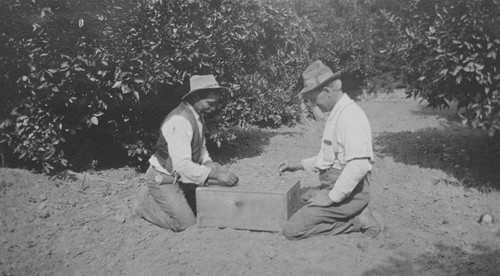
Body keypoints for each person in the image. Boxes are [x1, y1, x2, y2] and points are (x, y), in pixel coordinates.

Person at [278, 60, 383, 240]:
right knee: (299, 200)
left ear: (326, 92)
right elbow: (329, 158)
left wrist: (331, 197)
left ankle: (358, 220)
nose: (313, 105)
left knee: (292, 230)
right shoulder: (337, 113)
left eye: (313, 99)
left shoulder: (351, 116)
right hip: (336, 186)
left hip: (348, 193)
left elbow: (358, 165)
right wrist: (297, 166)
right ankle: (348, 211)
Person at [133, 75, 239, 232]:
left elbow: (201, 148)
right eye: (210, 103)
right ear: (196, 96)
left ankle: (172, 198)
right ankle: (144, 205)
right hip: (164, 178)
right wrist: (216, 175)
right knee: (186, 224)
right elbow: (182, 165)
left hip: (181, 178)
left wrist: (209, 164)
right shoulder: (180, 121)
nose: (214, 108)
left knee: (208, 208)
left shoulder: (197, 116)